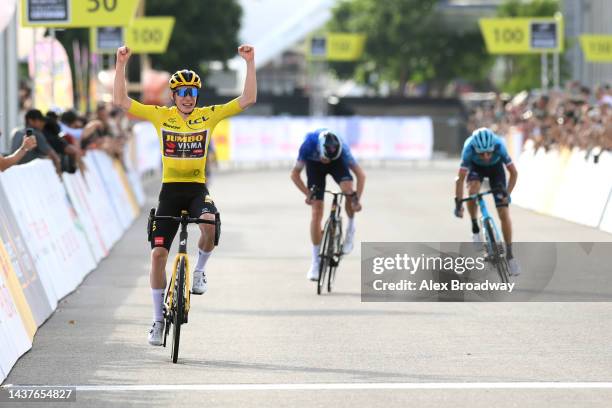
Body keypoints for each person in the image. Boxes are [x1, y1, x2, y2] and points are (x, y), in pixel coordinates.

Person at [113, 44, 256, 346]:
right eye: (183, 92)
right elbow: (121, 100)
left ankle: (200, 271)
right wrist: (121, 64)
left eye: (193, 92)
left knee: (208, 222)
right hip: (169, 192)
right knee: (158, 256)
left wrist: (250, 63)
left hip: (196, 190)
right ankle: (156, 320)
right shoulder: (160, 116)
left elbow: (248, 99)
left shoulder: (209, 116)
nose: (189, 97)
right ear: (174, 96)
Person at [290, 129, 366, 281]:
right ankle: (315, 262)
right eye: (325, 158)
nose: (327, 161)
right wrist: (308, 194)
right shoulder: (308, 146)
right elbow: (294, 175)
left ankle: (351, 228)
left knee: (348, 191)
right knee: (316, 211)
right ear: (319, 148)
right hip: (314, 166)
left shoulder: (342, 150)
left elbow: (361, 175)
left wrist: (356, 199)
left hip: (338, 165)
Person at [453, 127, 520, 275]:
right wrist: (458, 203)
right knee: (473, 190)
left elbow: (514, 173)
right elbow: (460, 180)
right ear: (475, 149)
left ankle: (510, 255)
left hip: (496, 170)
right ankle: (475, 227)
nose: (485, 156)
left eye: (488, 152)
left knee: (503, 212)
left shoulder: (499, 146)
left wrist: (507, 194)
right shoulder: (469, 149)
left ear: (493, 148)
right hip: (476, 169)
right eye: (481, 153)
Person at [10, 109, 62, 175]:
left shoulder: (16, 132)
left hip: (14, 172)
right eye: (40, 121)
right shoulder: (36, 133)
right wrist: (59, 175)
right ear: (30, 121)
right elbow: (54, 156)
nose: (43, 123)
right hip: (30, 173)